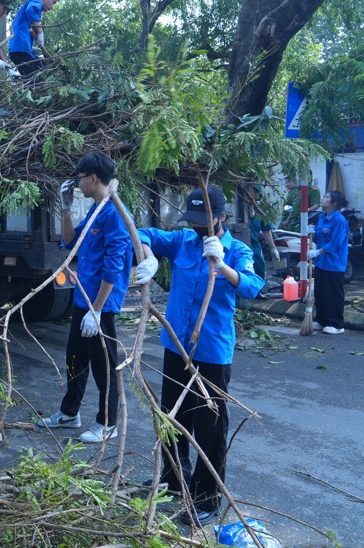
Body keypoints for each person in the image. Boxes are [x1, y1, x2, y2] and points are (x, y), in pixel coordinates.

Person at [132, 186, 263, 525]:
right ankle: (175, 478)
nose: (196, 227)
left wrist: (222, 264)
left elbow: (251, 286)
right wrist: (147, 255)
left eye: (202, 219)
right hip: (175, 345)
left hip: (212, 352)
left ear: (221, 216)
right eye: (192, 220)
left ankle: (207, 497)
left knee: (210, 426)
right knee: (172, 417)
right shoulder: (182, 242)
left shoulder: (237, 250)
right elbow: (141, 232)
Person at [37, 152, 132, 444]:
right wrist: (65, 208)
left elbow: (113, 265)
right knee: (75, 360)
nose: (77, 184)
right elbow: (69, 242)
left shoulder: (114, 213)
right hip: (84, 299)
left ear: (93, 178)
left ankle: (108, 423)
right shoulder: (95, 209)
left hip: (100, 305)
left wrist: (98, 310)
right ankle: (69, 413)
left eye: (80, 178)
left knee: (104, 366)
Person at [308, 190, 349, 335]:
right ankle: (322, 320)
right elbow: (320, 236)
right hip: (321, 263)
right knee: (321, 292)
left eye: (326, 197)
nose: (323, 199)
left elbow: (335, 243)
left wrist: (318, 252)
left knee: (333, 294)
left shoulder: (339, 220)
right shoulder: (322, 217)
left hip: (334, 263)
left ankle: (336, 324)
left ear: (334, 203)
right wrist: (311, 232)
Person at [8, 0, 60, 77]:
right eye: (53, 2)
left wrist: (30, 47)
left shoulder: (32, 9)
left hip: (24, 49)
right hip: (20, 51)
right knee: (35, 82)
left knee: (44, 68)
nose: (52, 7)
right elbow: (31, 10)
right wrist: (40, 32)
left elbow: (21, 29)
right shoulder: (37, 1)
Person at [243, 185, 279, 285]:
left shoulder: (261, 210)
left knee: (260, 269)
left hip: (254, 246)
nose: (249, 194)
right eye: (248, 190)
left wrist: (273, 248)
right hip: (239, 245)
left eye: (253, 192)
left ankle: (258, 292)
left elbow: (266, 231)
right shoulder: (236, 207)